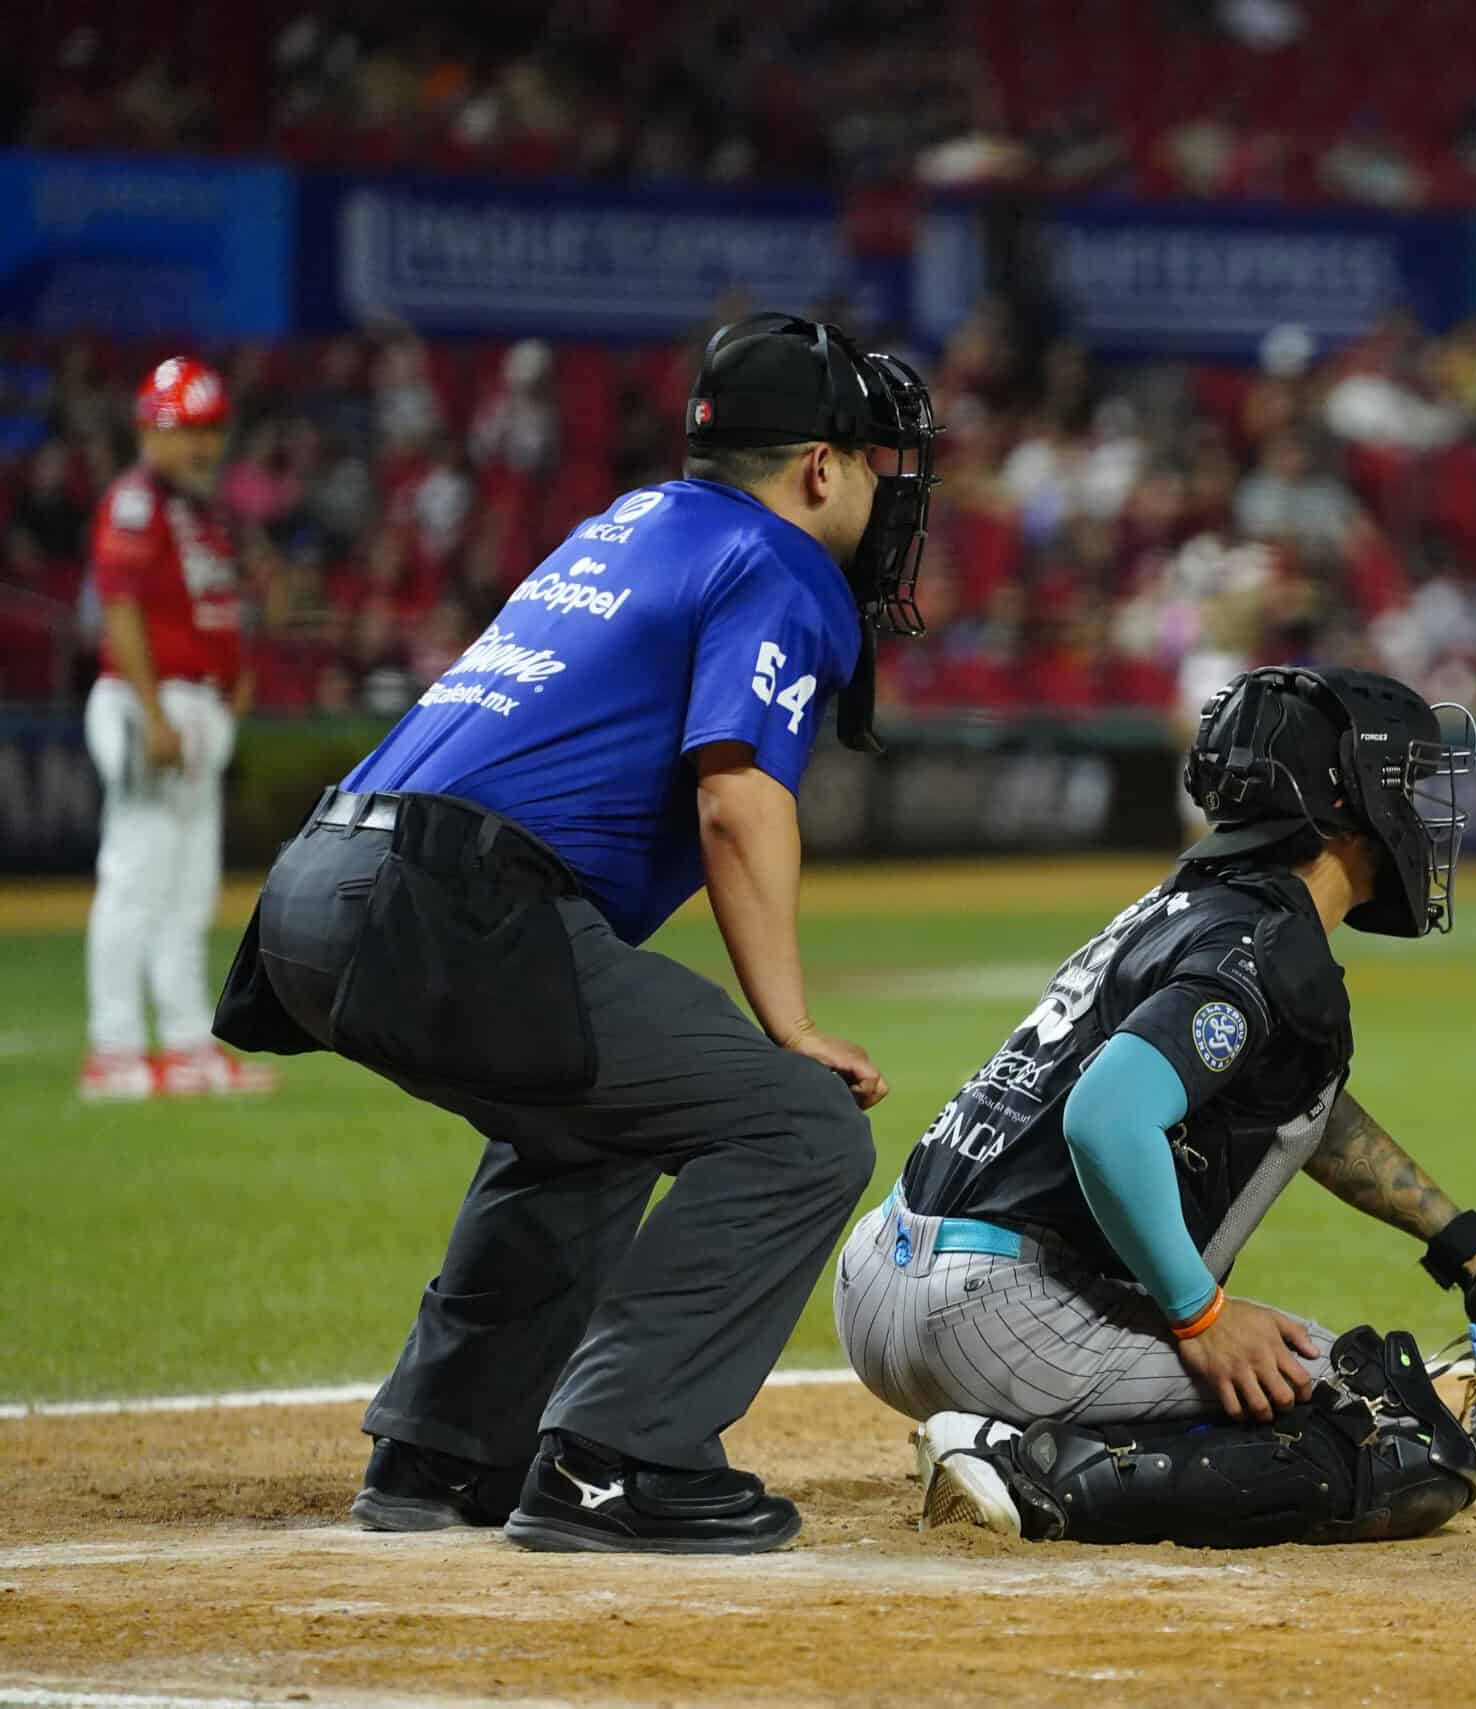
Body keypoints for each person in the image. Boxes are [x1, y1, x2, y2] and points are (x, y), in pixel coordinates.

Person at [210, 315, 940, 1554]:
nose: (885, 492)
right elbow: (735, 796)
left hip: (319, 888)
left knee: (587, 1115)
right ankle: (617, 1457)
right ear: (822, 466)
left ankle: (443, 1449)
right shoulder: (780, 560)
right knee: (797, 1120)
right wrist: (792, 1028)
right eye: (876, 463)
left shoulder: (627, 522)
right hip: (447, 903)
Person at [835, 667, 1476, 1546]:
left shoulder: (1187, 903)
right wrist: (1198, 1314)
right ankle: (1022, 1466)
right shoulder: (1270, 944)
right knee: (1396, 1441)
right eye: (1402, 782)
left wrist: (1468, 1247)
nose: (1421, 811)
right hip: (999, 1316)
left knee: (1323, 1391)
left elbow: (1299, 1108)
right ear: (1342, 799)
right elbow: (1105, 1116)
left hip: (884, 1277)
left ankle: (1018, 1428)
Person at [81, 358, 276, 1102]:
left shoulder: (193, 510)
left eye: (211, 429)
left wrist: (233, 680)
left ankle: (189, 1046)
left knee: (188, 886)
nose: (202, 445)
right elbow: (121, 608)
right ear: (149, 431)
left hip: (192, 705)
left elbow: (204, 610)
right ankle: (115, 1048)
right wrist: (154, 712)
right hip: (148, 703)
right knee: (135, 875)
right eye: (185, 429)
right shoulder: (136, 502)